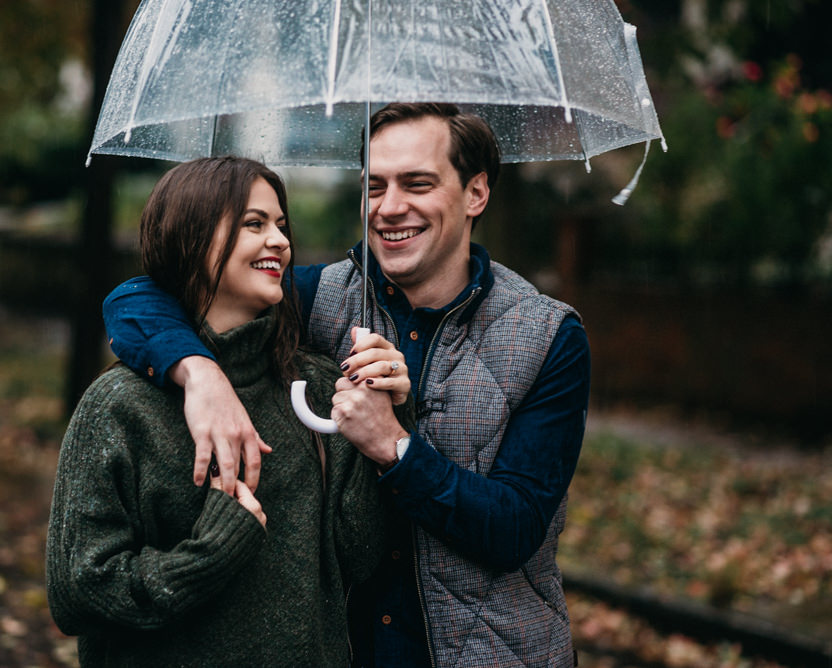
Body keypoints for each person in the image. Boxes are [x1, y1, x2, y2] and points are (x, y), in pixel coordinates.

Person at [102, 103, 591, 667]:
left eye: (417, 184)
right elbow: (139, 298)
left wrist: (393, 446)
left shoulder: (547, 334)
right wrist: (199, 372)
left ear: (476, 193)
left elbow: (515, 528)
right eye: (374, 186)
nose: (389, 208)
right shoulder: (321, 299)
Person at [45, 156, 410, 667]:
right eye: (254, 224)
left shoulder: (320, 388)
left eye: (282, 225)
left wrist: (388, 423)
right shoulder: (120, 406)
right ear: (190, 239)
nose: (281, 242)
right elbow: (77, 594)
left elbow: (361, 558)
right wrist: (212, 550)